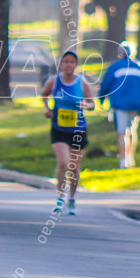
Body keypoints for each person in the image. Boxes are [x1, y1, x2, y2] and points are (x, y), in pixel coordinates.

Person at [40, 50, 95, 215]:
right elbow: (43, 95)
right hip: (59, 128)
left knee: (74, 168)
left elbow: (92, 103)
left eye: (72, 62)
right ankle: (60, 197)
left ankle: (72, 198)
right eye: (66, 62)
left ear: (76, 65)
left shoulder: (82, 82)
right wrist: (47, 108)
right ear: (61, 64)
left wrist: (86, 106)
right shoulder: (54, 81)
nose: (69, 65)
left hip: (78, 129)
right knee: (63, 162)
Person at [98, 42, 140, 168]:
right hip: (136, 105)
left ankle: (123, 160)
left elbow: (105, 84)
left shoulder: (115, 67)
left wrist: (101, 98)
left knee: (122, 132)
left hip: (119, 105)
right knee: (132, 131)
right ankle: (131, 159)